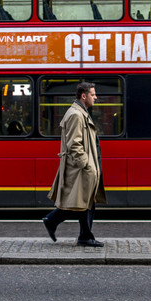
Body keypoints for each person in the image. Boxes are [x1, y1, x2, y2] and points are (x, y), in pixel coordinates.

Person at [42, 82, 106, 247]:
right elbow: (74, 144)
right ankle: (55, 221)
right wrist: (86, 165)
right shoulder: (76, 115)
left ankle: (83, 234)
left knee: (85, 202)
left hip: (84, 168)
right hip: (82, 169)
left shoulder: (80, 112)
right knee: (81, 202)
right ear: (84, 96)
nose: (96, 97)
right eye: (93, 94)